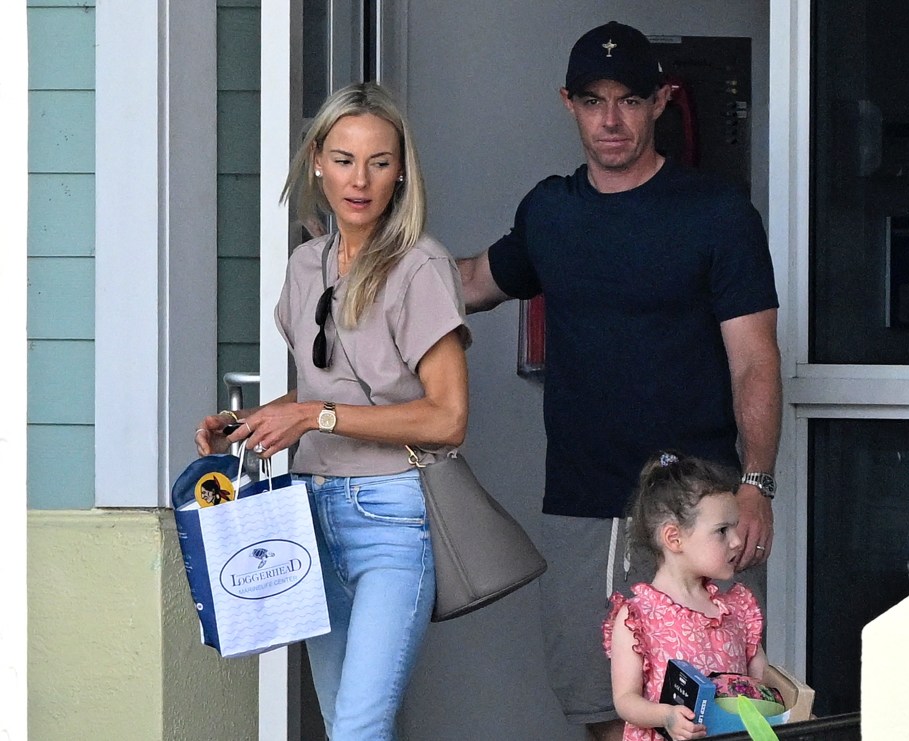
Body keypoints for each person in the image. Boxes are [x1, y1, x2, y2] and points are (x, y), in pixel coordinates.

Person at [457, 20, 782, 741]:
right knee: (604, 714)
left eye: (629, 100)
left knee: (714, 718)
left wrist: (757, 483)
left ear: (662, 101)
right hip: (583, 505)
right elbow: (472, 281)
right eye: (593, 99)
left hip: (698, 511)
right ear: (566, 101)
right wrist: (364, 262)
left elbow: (756, 358)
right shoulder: (551, 212)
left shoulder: (717, 214)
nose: (611, 119)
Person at [194, 81, 470, 740]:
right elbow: (334, 387)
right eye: (344, 158)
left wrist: (312, 416)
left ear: (401, 170)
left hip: (393, 517)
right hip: (311, 513)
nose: (361, 179)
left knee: (358, 727)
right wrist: (258, 419)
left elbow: (446, 417)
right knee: (341, 721)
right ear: (317, 160)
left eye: (379, 161)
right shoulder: (305, 267)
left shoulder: (420, 266)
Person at [604, 452, 772, 741]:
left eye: (734, 527)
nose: (736, 540)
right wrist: (666, 716)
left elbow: (762, 684)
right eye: (722, 531)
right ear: (674, 538)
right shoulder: (638, 617)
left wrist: (791, 707)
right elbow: (626, 700)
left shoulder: (737, 609)